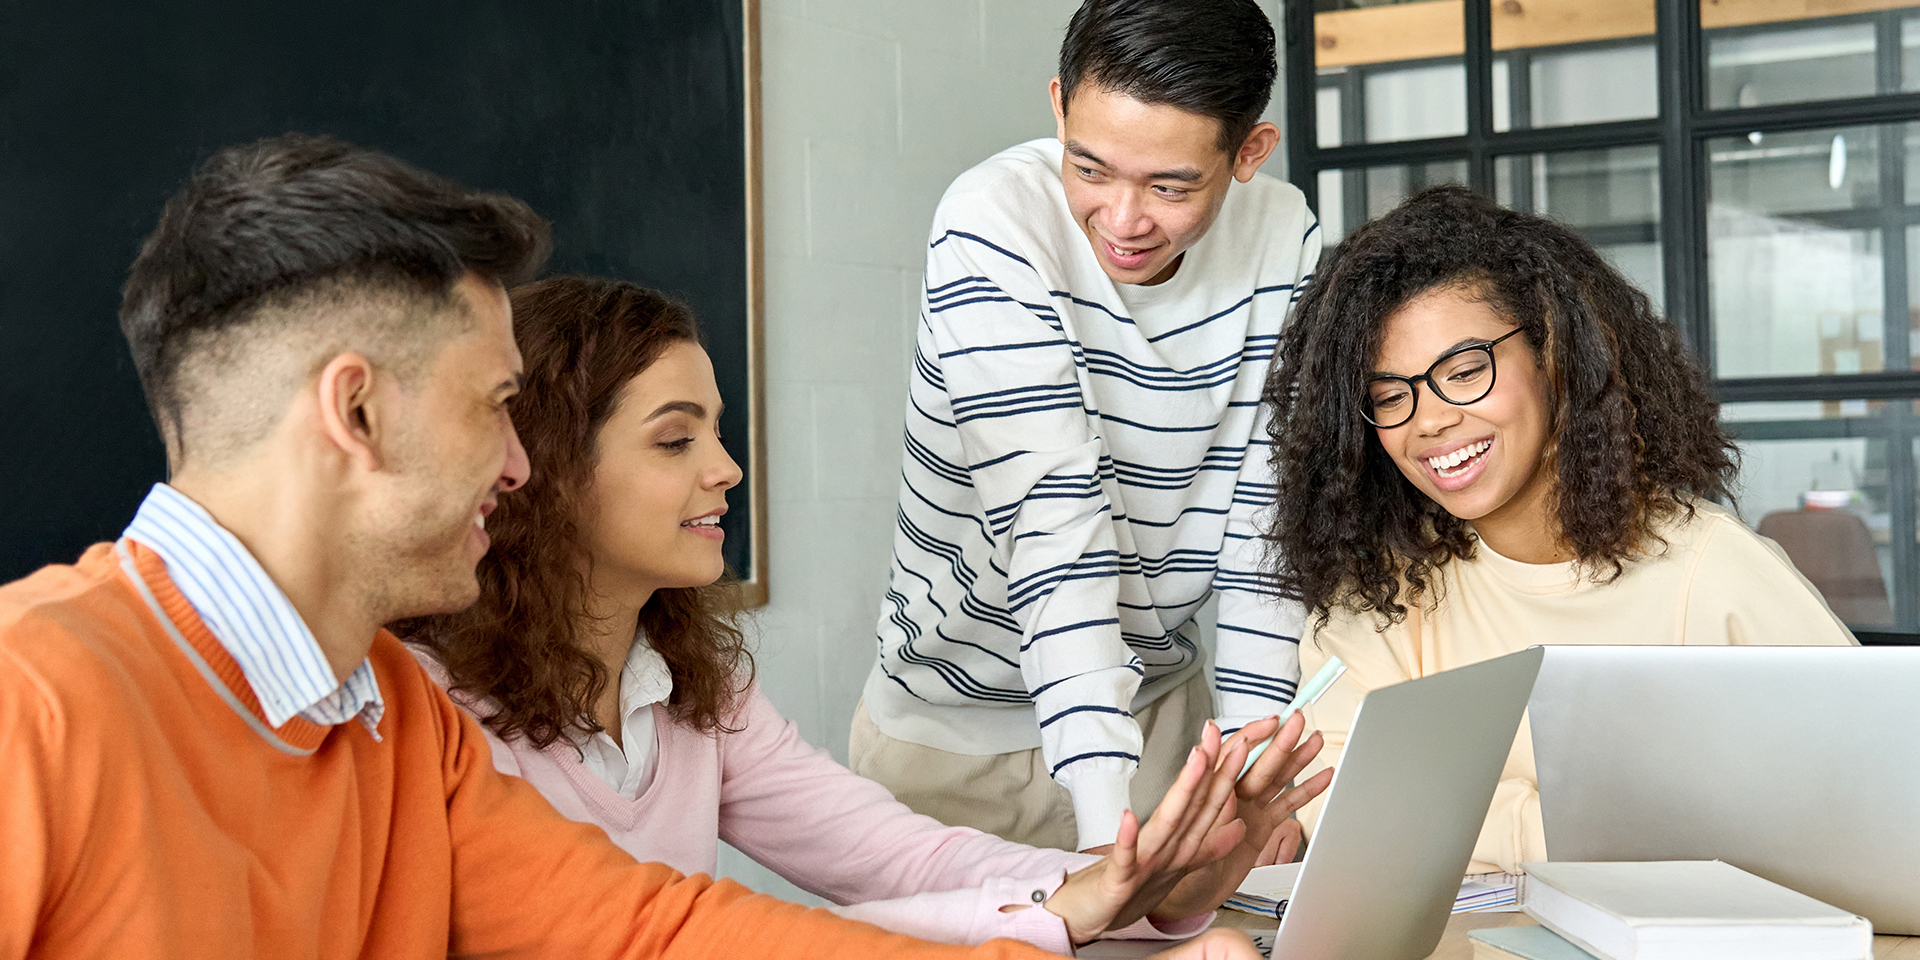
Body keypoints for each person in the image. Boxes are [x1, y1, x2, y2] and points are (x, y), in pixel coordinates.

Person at [0, 133, 1265, 960]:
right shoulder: (33, 702)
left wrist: (1062, 919)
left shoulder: (393, 719)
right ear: (357, 411)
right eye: (496, 408)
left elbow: (655, 933)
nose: (517, 464)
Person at [404, 275, 1330, 952]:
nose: (725, 470)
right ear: (546, 468)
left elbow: (900, 857)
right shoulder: (432, 707)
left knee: (1212, 951)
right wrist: (1059, 912)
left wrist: (1145, 888)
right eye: (676, 439)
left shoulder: (697, 683)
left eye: (718, 432)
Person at [1260, 185, 1859, 875]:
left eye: (1463, 371)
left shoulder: (1710, 570)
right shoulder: (1386, 593)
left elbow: (1853, 795)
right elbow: (1340, 802)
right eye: (1390, 396)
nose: (1428, 421)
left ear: (1557, 356)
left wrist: (1465, 817)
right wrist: (1632, 827)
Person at [852, 0, 1322, 856]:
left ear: (1249, 151)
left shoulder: (1284, 240)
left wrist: (1257, 775)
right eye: (1091, 168)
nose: (1123, 218)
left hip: (1165, 720)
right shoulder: (993, 223)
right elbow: (1053, 523)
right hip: (956, 741)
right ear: (1060, 104)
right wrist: (1112, 843)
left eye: (1171, 186)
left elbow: (1267, 532)